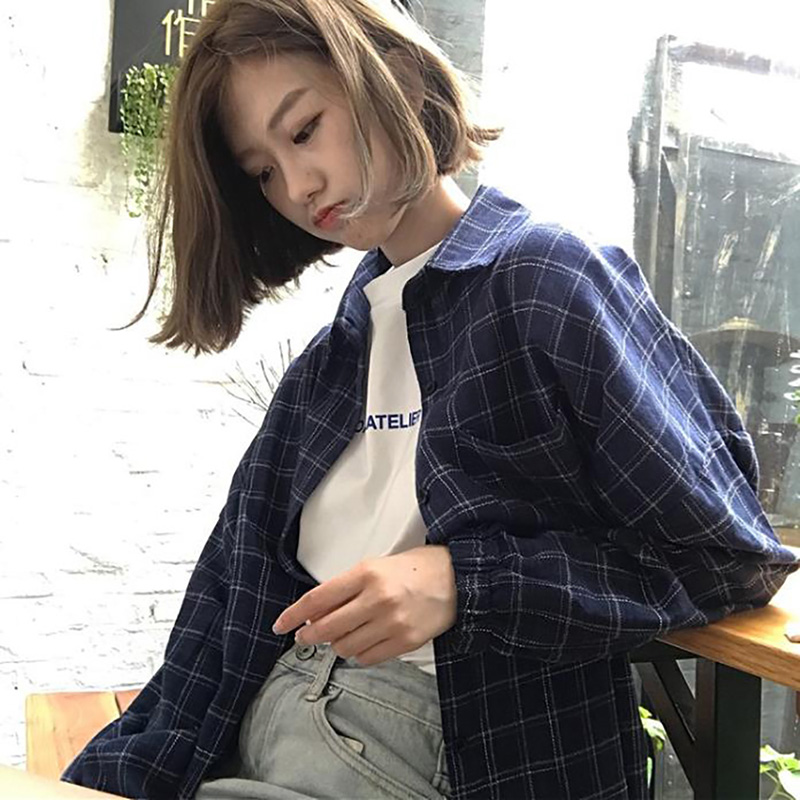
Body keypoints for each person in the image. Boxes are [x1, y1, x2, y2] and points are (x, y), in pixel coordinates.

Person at [63, 0, 798, 798]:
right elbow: (223, 611)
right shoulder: (330, 363)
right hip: (265, 721)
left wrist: (464, 584)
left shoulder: (544, 281)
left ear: (398, 81)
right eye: (263, 172)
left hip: (442, 746)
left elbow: (727, 555)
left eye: (304, 130)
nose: (299, 186)